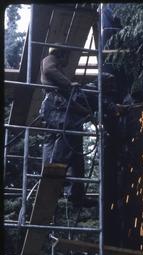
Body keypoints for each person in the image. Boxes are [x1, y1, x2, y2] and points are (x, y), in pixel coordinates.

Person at [39, 44, 96, 208]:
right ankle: (53, 172)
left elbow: (69, 101)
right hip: (54, 107)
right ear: (61, 54)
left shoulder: (59, 76)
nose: (68, 60)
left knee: (76, 151)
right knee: (66, 135)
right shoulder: (50, 60)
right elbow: (50, 71)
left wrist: (87, 113)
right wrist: (69, 83)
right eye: (67, 57)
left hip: (60, 106)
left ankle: (77, 194)